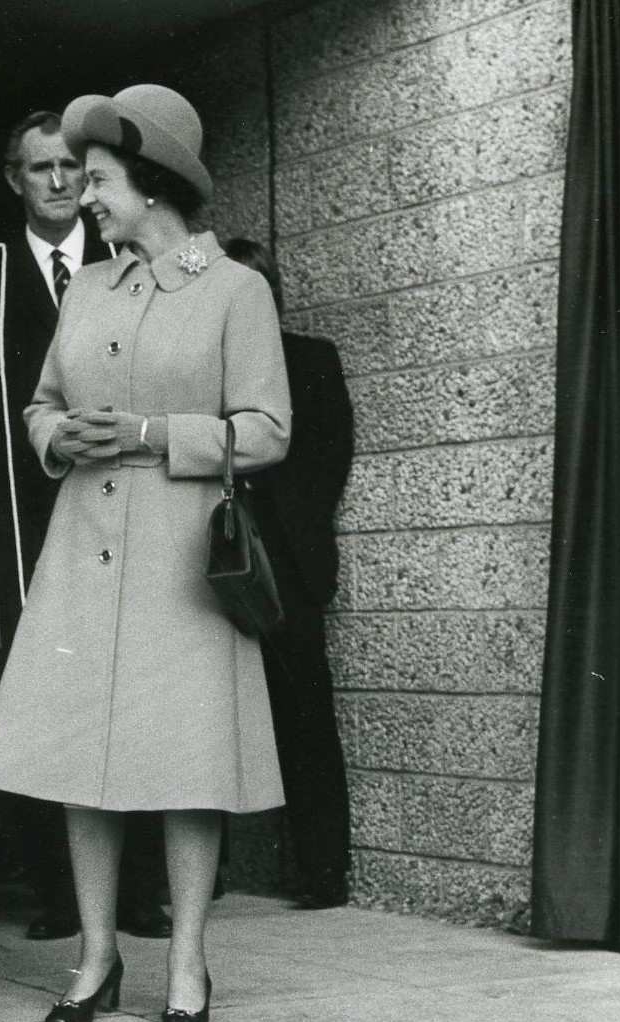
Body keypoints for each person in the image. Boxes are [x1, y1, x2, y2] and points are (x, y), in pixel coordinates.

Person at [0, 84, 291, 1022]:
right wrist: (54, 436)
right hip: (82, 550)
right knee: (84, 762)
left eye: (99, 178)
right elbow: (36, 403)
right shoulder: (86, 285)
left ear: (150, 187)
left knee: (185, 767)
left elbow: (268, 430)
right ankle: (97, 955)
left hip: (179, 558)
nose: (82, 194)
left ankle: (187, 962)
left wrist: (153, 432)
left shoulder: (235, 288)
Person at [0, 109, 171, 941]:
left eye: (74, 167)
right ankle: (60, 893)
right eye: (41, 169)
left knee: (129, 695)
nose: (62, 182)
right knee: (42, 698)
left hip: (127, 516)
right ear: (15, 179)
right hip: (19, 524)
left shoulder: (130, 260)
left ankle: (139, 887)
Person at [222, 237, 355, 909]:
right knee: (205, 715)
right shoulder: (201, 367)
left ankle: (323, 870)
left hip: (288, 562)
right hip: (213, 557)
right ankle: (198, 874)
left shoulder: (310, 358)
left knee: (305, 713)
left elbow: (331, 453)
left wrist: (290, 527)